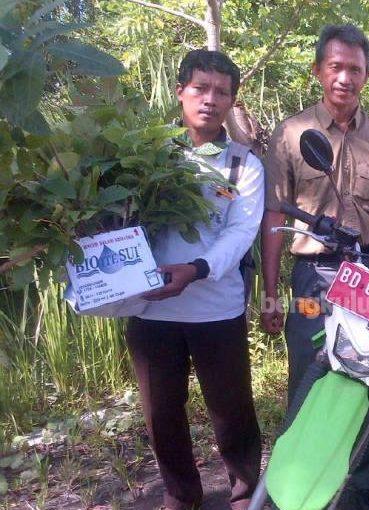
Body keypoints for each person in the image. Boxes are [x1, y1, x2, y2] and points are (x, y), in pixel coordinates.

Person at [260, 25, 369, 508]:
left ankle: (362, 489)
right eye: (336, 67)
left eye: (356, 69)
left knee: (368, 381)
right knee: (309, 373)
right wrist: (269, 292)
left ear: (366, 77)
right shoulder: (291, 133)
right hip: (312, 277)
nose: (345, 77)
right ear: (318, 71)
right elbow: (274, 215)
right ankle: (296, 490)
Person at [126, 49, 264, 510]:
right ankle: (181, 493)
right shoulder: (145, 158)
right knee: (161, 413)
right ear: (180, 91)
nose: (210, 99)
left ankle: (244, 491)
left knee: (232, 412)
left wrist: (196, 270)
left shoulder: (244, 164)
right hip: (150, 309)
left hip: (217, 310)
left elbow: (241, 231)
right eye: (200, 88)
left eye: (221, 91)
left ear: (232, 101)